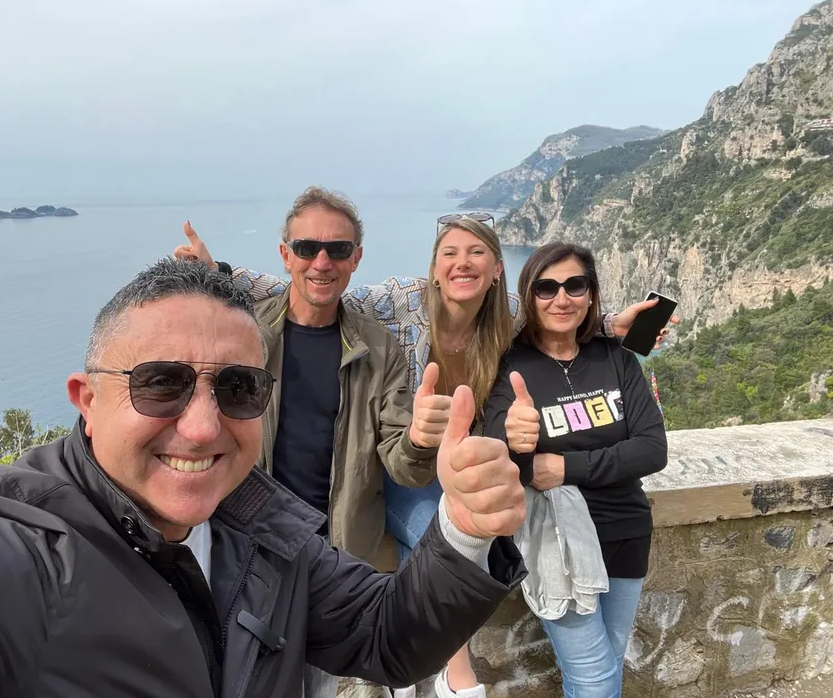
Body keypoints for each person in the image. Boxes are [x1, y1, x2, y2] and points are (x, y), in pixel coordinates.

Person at [0, 258, 530, 698]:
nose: (202, 426)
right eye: (160, 383)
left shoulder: (261, 525)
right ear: (86, 401)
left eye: (238, 388)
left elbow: (390, 636)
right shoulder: (19, 546)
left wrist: (464, 530)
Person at [176, 209, 674, 698]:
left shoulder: (506, 319)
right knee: (439, 530)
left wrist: (610, 325)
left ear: (496, 269)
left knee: (446, 521)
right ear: (433, 269)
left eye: (477, 252)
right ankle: (455, 669)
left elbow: (560, 312)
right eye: (450, 253)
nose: (463, 263)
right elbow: (318, 284)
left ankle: (437, 670)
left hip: (453, 465)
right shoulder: (400, 301)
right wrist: (219, 270)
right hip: (399, 463)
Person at [175, 187, 490, 697]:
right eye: (306, 248)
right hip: (248, 547)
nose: (321, 262)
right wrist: (200, 278)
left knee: (316, 689)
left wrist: (418, 439)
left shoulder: (377, 345)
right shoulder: (248, 337)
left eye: (338, 250)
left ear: (356, 259)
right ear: (285, 255)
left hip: (328, 557)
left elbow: (402, 464)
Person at [484, 242, 669, 698]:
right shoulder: (510, 367)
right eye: (546, 288)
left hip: (626, 529)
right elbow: (507, 461)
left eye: (574, 285)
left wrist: (566, 466)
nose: (561, 298)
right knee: (594, 676)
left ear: (591, 295)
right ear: (529, 296)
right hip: (557, 541)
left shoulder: (616, 358)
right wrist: (518, 444)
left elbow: (652, 449)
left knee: (608, 660)